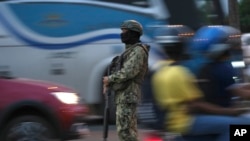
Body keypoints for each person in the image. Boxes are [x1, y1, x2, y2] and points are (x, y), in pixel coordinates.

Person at [151, 25, 250, 141]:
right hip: (185, 121)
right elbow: (196, 104)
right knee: (242, 126)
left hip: (170, 121)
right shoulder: (179, 72)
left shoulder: (160, 70)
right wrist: (231, 112)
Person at [103, 19, 149, 141]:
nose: (122, 34)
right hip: (123, 96)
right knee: (125, 132)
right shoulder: (130, 51)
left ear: (133, 33)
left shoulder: (138, 51)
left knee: (126, 133)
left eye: (125, 31)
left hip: (128, 96)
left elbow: (129, 72)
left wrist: (110, 79)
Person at [193, 25, 250, 108]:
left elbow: (230, 85)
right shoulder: (223, 69)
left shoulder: (206, 67)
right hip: (220, 112)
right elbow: (243, 94)